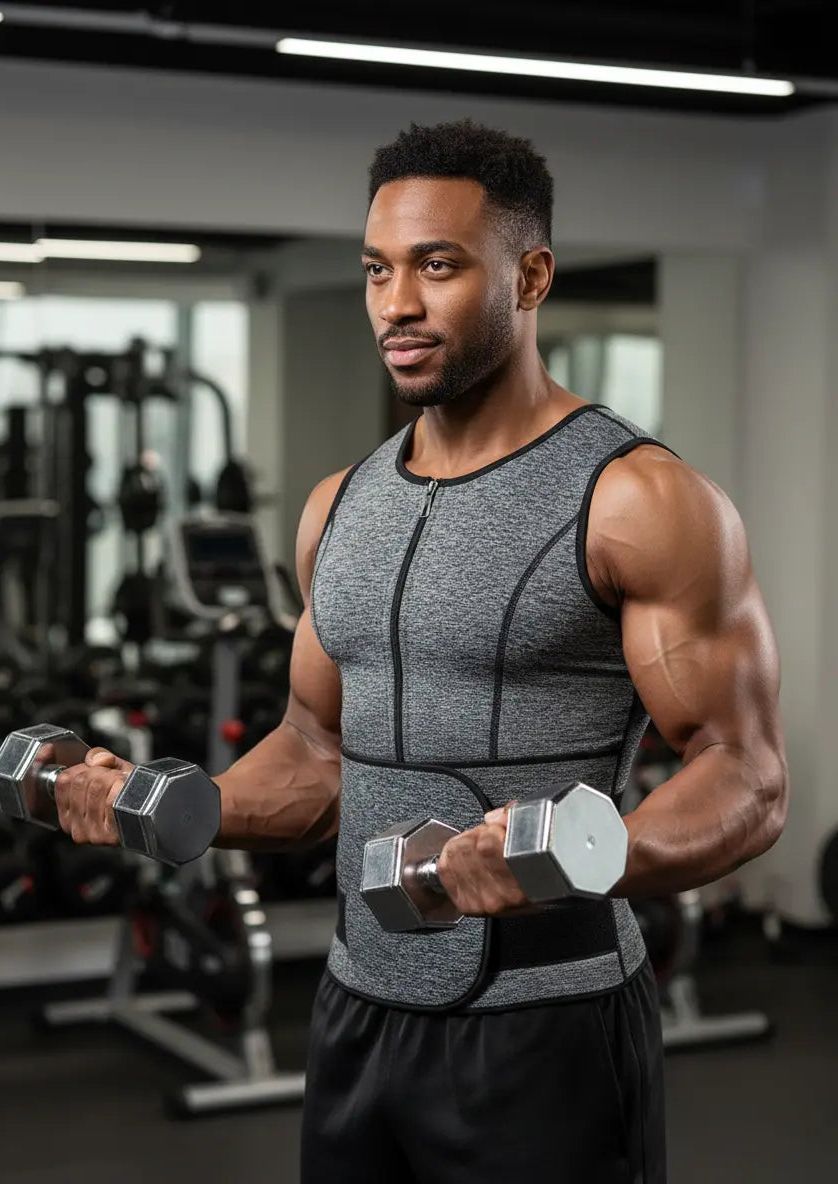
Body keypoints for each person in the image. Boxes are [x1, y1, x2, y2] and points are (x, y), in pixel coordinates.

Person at [51, 120, 787, 1184]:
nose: (396, 303)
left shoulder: (639, 500)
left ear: (529, 275)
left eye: (437, 266)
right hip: (357, 1012)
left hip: (549, 1027)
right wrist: (160, 799)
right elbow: (314, 753)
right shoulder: (338, 507)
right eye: (376, 270)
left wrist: (567, 854)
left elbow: (749, 773)